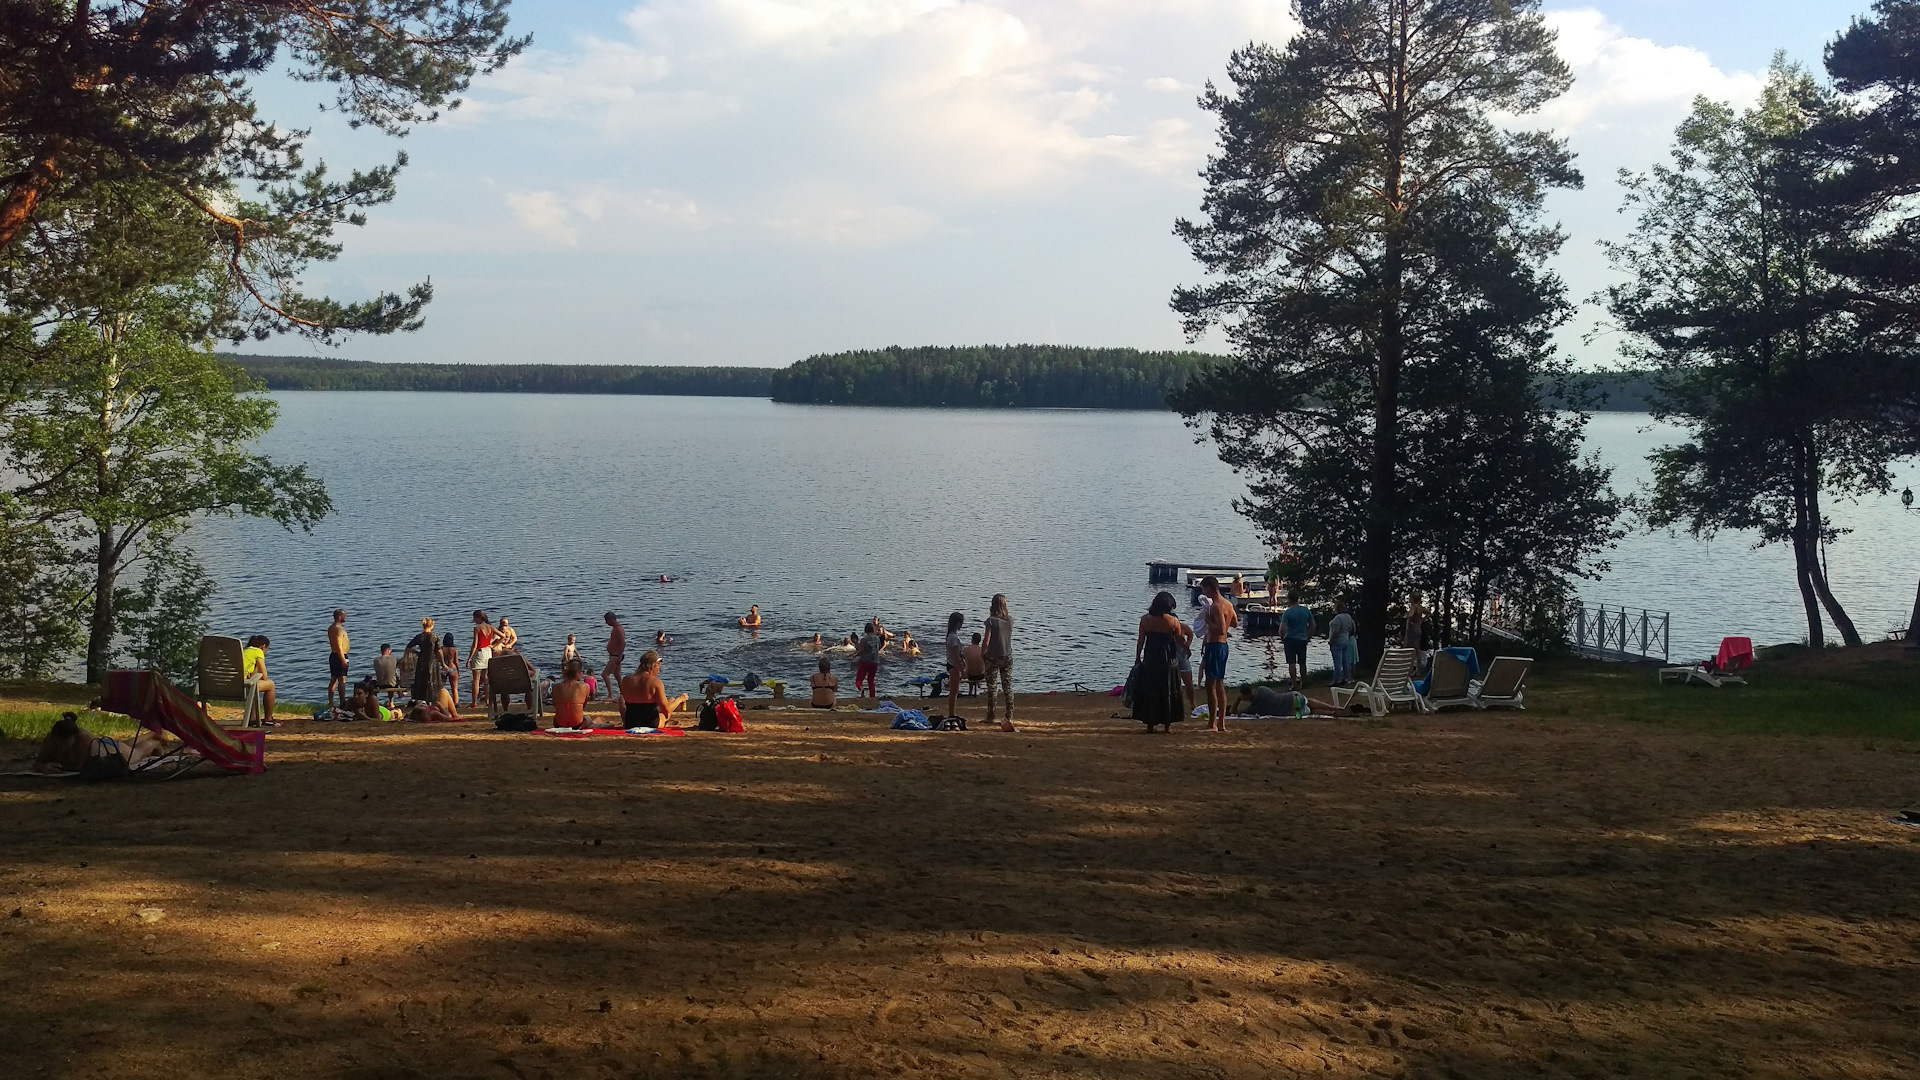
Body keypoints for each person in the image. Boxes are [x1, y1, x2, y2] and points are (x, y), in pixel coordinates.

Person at [36, 712, 170, 776]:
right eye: (59, 743)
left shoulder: (84, 738)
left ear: (74, 737)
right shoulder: (51, 740)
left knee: (134, 754)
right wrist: (44, 766)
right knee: (125, 745)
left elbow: (81, 766)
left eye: (65, 743)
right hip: (109, 746)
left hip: (109, 751)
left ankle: (154, 743)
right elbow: (39, 761)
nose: (62, 747)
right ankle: (152, 733)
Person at [1132, 592, 1190, 732]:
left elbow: (1141, 641)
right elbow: (1179, 639)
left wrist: (1137, 657)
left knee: (1151, 689)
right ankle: (1167, 725)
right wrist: (1186, 649)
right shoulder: (1173, 621)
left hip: (1151, 657)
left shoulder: (1145, 620)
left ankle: (1150, 724)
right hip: (1168, 659)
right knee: (1167, 689)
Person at [1198, 576, 1238, 732]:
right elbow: (1234, 623)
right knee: (1219, 684)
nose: (1203, 592)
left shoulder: (1216, 606)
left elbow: (1221, 629)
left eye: (1203, 589)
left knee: (1210, 685)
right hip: (1223, 646)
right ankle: (1221, 723)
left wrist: (1208, 622)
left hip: (1215, 645)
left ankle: (1212, 724)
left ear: (1209, 588)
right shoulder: (1228, 604)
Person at [619, 650, 685, 728]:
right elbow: (666, 711)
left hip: (630, 723)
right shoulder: (656, 682)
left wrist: (624, 717)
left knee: (622, 698)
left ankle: (625, 719)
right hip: (651, 724)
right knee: (670, 703)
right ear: (653, 667)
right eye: (659, 668)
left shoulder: (626, 680)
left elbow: (622, 703)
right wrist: (680, 699)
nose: (658, 672)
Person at [981, 593, 1015, 731]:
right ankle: (1009, 715)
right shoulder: (1010, 620)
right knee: (1008, 687)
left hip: (993, 657)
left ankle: (991, 715)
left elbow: (986, 640)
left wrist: (982, 653)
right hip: (1007, 656)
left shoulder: (991, 621)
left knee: (992, 687)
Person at [1280, 592, 1316, 689]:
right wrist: (1308, 637)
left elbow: (1282, 629)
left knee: (1291, 662)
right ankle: (1304, 682)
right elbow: (1313, 625)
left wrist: (1283, 639)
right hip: (1302, 639)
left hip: (1290, 639)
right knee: (1302, 662)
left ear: (1289, 599)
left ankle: (1295, 684)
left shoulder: (1287, 613)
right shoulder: (1306, 611)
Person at [406, 618, 443, 707]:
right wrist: (442, 662)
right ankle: (433, 700)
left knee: (422, 680)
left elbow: (408, 647)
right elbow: (439, 651)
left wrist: (418, 653)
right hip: (432, 661)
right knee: (432, 680)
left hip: (422, 660)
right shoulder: (434, 637)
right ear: (431, 626)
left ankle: (423, 700)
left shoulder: (419, 637)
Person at [242, 634, 278, 724]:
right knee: (270, 685)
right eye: (267, 649)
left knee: (252, 684)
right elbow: (264, 677)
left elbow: (250, 676)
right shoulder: (258, 651)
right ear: (264, 646)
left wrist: (256, 667)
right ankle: (268, 718)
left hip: (229, 686)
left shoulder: (245, 651)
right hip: (241, 687)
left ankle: (252, 718)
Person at [550, 659, 591, 729]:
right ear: (578, 672)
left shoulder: (555, 687)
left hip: (559, 724)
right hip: (577, 724)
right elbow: (583, 706)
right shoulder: (585, 687)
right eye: (582, 672)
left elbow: (555, 705)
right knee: (588, 719)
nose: (583, 674)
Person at [1327, 598, 1357, 686]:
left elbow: (1336, 630)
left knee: (1337, 662)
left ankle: (1336, 680)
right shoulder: (1348, 617)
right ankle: (1346, 678)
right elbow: (1351, 628)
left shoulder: (1338, 618)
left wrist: (1331, 641)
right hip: (1346, 640)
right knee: (1345, 661)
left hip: (1337, 642)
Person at [944, 611, 968, 720]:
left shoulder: (951, 636)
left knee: (955, 690)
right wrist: (961, 669)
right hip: (953, 665)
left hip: (954, 664)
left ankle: (952, 712)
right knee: (954, 690)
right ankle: (951, 713)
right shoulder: (952, 637)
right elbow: (955, 655)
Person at [469, 610, 496, 706]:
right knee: (486, 678)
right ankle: (487, 701)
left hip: (479, 653)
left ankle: (474, 703)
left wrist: (469, 658)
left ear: (479, 618)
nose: (474, 620)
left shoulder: (477, 628)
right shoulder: (490, 627)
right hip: (488, 652)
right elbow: (502, 636)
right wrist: (492, 645)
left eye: (475, 618)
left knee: (476, 680)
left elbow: (474, 645)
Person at [326, 609, 350, 714]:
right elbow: (339, 646)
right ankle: (342, 702)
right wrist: (343, 660)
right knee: (342, 680)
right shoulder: (338, 629)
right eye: (344, 615)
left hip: (334, 655)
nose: (346, 617)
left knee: (334, 679)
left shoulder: (331, 628)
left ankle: (331, 702)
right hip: (340, 656)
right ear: (339, 617)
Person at [601, 611, 626, 702]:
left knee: (605, 674)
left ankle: (611, 695)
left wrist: (619, 656)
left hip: (616, 656)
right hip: (614, 655)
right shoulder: (615, 628)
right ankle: (624, 694)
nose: (606, 623)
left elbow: (623, 643)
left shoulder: (618, 629)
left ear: (611, 619)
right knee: (617, 675)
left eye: (606, 620)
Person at [854, 621, 882, 698]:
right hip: (875, 662)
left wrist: (853, 655)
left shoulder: (864, 639)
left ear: (865, 630)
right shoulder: (877, 638)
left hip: (865, 662)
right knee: (871, 681)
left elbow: (860, 651)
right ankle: (872, 697)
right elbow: (878, 648)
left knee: (858, 680)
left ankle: (861, 689)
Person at [439, 633, 462, 705]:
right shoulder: (454, 649)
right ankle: (456, 703)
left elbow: (438, 659)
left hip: (444, 668)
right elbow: (456, 661)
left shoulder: (441, 649)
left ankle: (441, 702)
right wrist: (458, 671)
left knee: (441, 687)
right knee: (454, 688)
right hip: (453, 668)